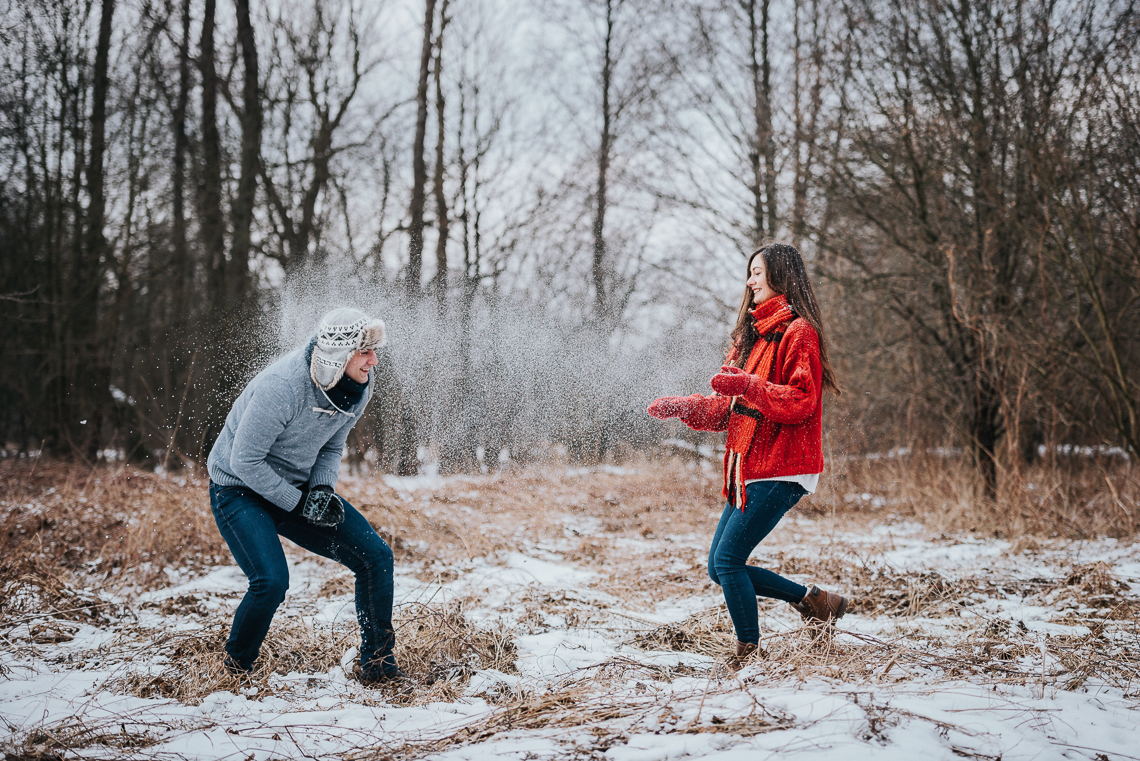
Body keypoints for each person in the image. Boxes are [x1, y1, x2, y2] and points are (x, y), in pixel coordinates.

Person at [647, 243, 849, 665]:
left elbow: (801, 400)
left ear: (781, 276)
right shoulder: (752, 337)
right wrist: (686, 407)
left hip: (783, 466)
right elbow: (729, 407)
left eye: (757, 272)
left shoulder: (799, 333)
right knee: (718, 568)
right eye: (749, 272)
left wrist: (747, 385)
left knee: (729, 561)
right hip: (749, 466)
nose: (749, 281)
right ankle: (816, 602)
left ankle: (748, 652)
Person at [206, 307, 406, 685]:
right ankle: (234, 673)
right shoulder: (282, 386)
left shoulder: (358, 385)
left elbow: (331, 448)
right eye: (365, 353)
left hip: (295, 486)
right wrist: (299, 505)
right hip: (237, 488)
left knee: (375, 557)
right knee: (270, 581)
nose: (373, 361)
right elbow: (245, 462)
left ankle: (379, 666)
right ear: (341, 355)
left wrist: (321, 492)